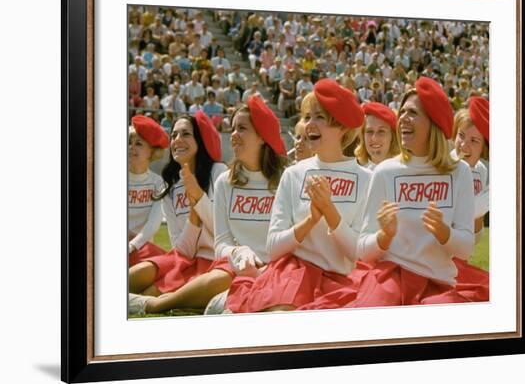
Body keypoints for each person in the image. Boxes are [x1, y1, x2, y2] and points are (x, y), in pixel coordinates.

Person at [226, 78, 371, 313]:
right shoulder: (293, 175)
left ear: (342, 127)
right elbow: (273, 248)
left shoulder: (367, 179)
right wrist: (310, 221)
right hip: (293, 274)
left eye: (320, 117)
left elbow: (360, 254)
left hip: (342, 283)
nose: (309, 125)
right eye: (306, 117)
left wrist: (330, 213)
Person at [345, 76, 480, 308]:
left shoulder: (460, 172)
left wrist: (443, 232)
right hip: (388, 279)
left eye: (413, 113)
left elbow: (466, 247)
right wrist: (384, 236)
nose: (403, 119)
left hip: (438, 283)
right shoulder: (385, 172)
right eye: (402, 112)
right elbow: (363, 250)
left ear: (434, 122)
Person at [128, 112, 231, 314]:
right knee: (135, 276)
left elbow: (224, 231)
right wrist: (194, 218)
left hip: (216, 260)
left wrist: (198, 199)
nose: (177, 140)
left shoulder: (218, 172)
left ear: (199, 140)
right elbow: (179, 246)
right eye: (174, 135)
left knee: (151, 291)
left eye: (185, 134)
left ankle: (156, 302)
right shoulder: (170, 186)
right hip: (185, 258)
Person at [206, 97, 288, 314]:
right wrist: (239, 251)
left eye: (241, 128)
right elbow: (220, 244)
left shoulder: (286, 178)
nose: (233, 135)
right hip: (238, 268)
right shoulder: (224, 181)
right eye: (232, 128)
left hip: (280, 271)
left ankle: (223, 303)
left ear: (262, 136)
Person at [450, 96, 490, 301]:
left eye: (474, 141)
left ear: (483, 148)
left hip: (462, 257)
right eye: (461, 135)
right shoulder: (443, 166)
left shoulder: (481, 171)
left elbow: (475, 234)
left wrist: (476, 214)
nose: (464, 145)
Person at [128, 115, 169, 267]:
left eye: (138, 144)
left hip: (143, 249)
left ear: (151, 152)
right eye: (129, 143)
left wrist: (132, 245)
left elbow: (154, 222)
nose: (131, 147)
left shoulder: (158, 183)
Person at [354, 102, 399, 170]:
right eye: (369, 131)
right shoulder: (357, 174)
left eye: (381, 131)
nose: (374, 138)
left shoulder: (404, 174)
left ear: (392, 136)